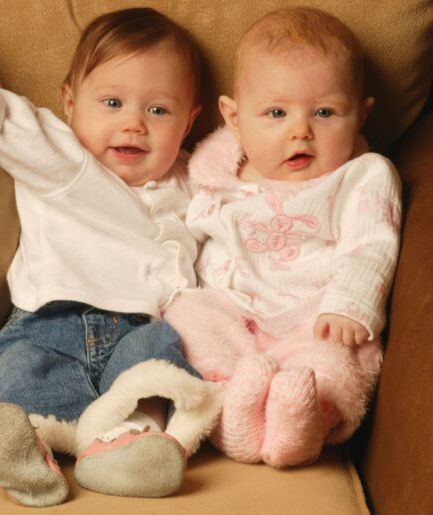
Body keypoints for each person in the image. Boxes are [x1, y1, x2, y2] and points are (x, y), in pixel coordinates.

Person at [0, 7, 222, 506]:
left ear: (190, 121)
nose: (133, 124)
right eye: (113, 102)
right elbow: (15, 128)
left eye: (158, 111)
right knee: (18, 371)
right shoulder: (64, 162)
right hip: (49, 323)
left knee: (157, 358)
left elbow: (228, 241)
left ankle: (127, 447)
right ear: (71, 104)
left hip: (140, 326)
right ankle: (28, 446)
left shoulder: (198, 184)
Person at [164, 7, 401, 468]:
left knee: (336, 360)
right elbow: (178, 234)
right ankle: (233, 413)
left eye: (325, 112)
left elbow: (373, 243)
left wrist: (350, 301)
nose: (300, 131)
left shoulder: (361, 177)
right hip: (231, 307)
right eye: (276, 112)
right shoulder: (213, 173)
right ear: (234, 118)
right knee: (187, 315)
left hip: (313, 315)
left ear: (361, 115)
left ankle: (301, 422)